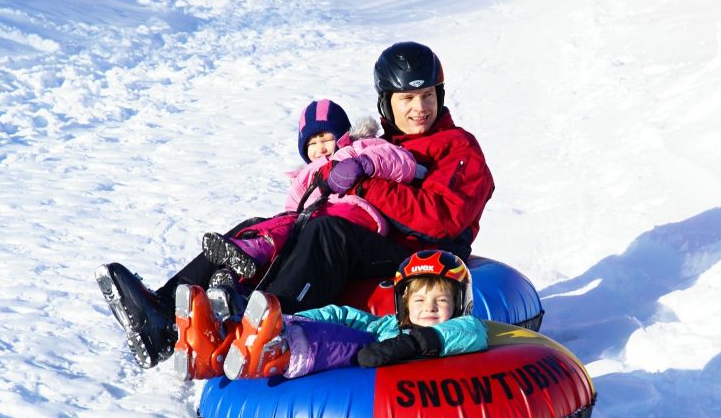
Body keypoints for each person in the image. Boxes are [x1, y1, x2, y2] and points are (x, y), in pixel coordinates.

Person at [98, 41, 494, 371]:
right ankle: (163, 312)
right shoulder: (386, 145)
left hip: (421, 256)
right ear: (387, 103)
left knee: (328, 233)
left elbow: (440, 219)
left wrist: (363, 182)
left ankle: (265, 321)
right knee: (266, 227)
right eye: (407, 99)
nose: (419, 109)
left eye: (427, 96)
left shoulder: (458, 147)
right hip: (378, 236)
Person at [199, 99, 425, 319]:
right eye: (312, 143)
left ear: (343, 136)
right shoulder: (304, 176)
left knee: (306, 226)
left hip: (353, 215)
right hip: (313, 219)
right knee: (286, 229)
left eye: (326, 139)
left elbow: (401, 161)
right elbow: (291, 211)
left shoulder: (358, 147)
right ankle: (236, 288)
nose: (320, 149)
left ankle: (256, 250)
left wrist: (364, 164)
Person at [174, 250, 487, 381]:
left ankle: (277, 352)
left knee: (342, 343)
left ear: (460, 304)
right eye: (418, 299)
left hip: (373, 370)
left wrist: (419, 343)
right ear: (404, 304)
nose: (429, 307)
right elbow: (347, 316)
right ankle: (215, 347)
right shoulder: (388, 325)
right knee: (335, 323)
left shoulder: (463, 329)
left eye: (441, 300)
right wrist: (295, 318)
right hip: (370, 345)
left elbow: (472, 332)